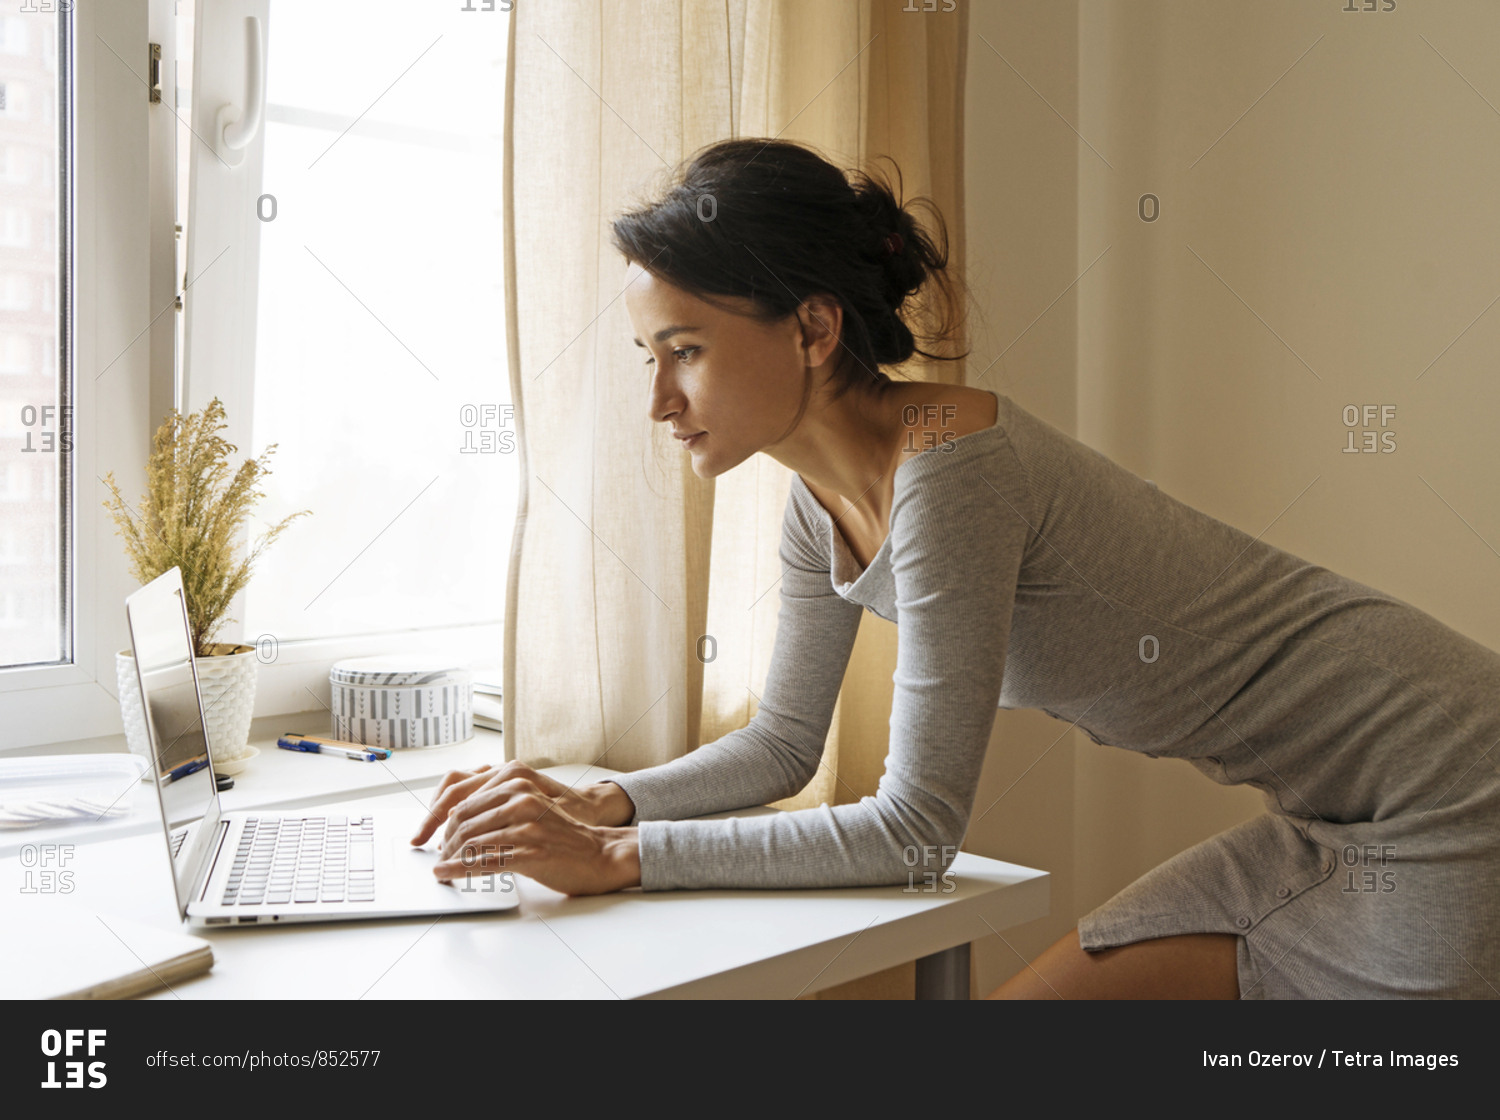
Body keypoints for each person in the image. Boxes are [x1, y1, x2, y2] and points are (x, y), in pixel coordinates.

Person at [411, 138, 1500, 999]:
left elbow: (916, 830)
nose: (658, 401)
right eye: (649, 357)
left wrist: (619, 859)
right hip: (1333, 813)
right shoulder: (819, 500)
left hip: (1448, 783)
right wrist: (605, 800)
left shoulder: (952, 467)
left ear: (814, 329)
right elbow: (785, 745)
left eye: (686, 350)